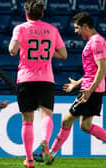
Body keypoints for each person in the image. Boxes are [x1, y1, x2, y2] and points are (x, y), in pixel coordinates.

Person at [33, 12, 106, 164]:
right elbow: (93, 70)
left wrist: (89, 90)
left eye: (77, 28)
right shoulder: (95, 41)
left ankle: (51, 154)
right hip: (90, 88)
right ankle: (51, 154)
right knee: (85, 125)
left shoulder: (97, 42)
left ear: (85, 26)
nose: (75, 31)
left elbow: (102, 69)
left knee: (66, 120)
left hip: (90, 91)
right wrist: (77, 83)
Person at [8, 0, 67, 167]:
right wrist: (47, 53)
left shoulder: (20, 28)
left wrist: (18, 46)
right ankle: (44, 142)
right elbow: (63, 54)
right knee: (47, 114)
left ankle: (29, 160)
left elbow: (12, 50)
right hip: (46, 79)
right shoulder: (52, 29)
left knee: (27, 121)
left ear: (26, 14)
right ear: (42, 14)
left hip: (26, 78)